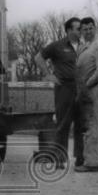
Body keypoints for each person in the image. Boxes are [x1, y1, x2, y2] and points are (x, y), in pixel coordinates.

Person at [35, 17, 84, 169]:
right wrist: (48, 74)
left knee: (80, 125)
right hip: (64, 89)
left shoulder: (84, 46)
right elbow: (38, 57)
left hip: (81, 89)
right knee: (63, 124)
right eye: (78, 28)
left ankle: (80, 159)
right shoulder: (58, 46)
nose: (81, 31)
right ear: (69, 30)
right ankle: (59, 159)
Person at [74, 17, 98, 173]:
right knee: (95, 125)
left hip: (93, 90)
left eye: (90, 28)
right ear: (81, 31)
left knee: (91, 126)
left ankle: (92, 163)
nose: (88, 31)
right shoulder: (85, 46)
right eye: (84, 29)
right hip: (85, 91)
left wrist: (88, 84)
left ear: (95, 28)